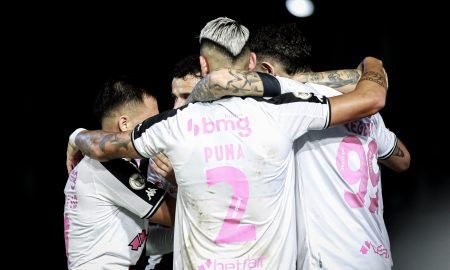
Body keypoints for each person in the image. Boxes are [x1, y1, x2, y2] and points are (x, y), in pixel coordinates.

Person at [67, 17, 388, 269]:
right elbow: (371, 97)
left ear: (203, 67)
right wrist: (372, 62)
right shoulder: (286, 110)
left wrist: (76, 137)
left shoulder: (172, 125)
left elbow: (101, 147)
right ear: (252, 62)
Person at [191, 22, 410, 269]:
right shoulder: (360, 109)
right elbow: (402, 160)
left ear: (266, 69)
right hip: (377, 255)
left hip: (330, 259)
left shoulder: (287, 102)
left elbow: (221, 80)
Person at [64, 78, 175, 269]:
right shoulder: (108, 165)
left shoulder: (106, 163)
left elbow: (137, 244)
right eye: (151, 122)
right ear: (125, 124)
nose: (158, 130)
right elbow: (175, 214)